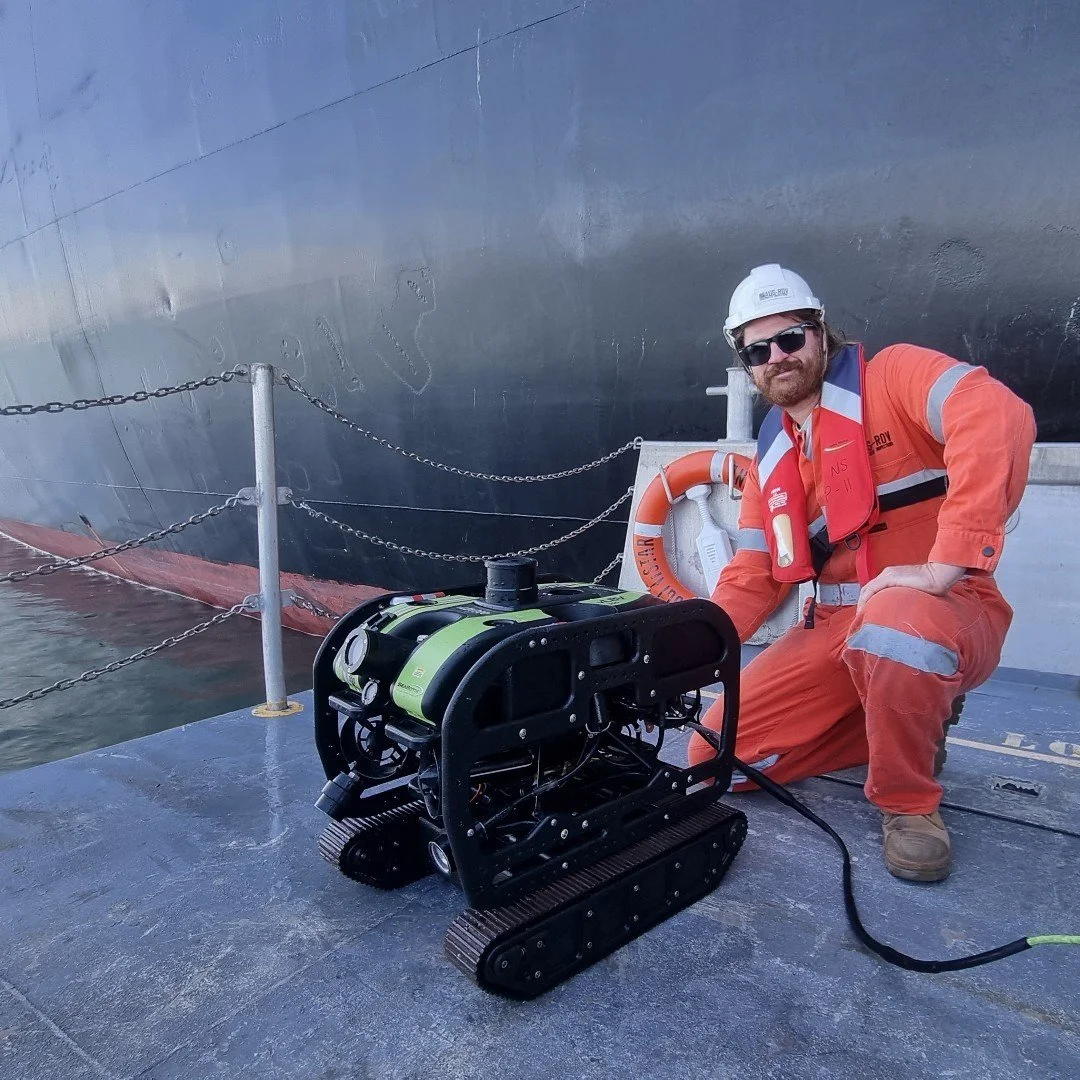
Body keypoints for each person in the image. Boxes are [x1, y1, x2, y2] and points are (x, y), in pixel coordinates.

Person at [689, 264, 1036, 881]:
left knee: (895, 624)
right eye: (758, 349)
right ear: (746, 363)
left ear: (821, 333)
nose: (778, 357)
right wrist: (680, 650)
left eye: (791, 338)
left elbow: (995, 414)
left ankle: (909, 803)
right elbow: (752, 574)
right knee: (714, 754)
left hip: (945, 608)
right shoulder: (770, 456)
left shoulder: (896, 376)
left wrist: (941, 566)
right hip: (831, 627)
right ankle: (907, 725)